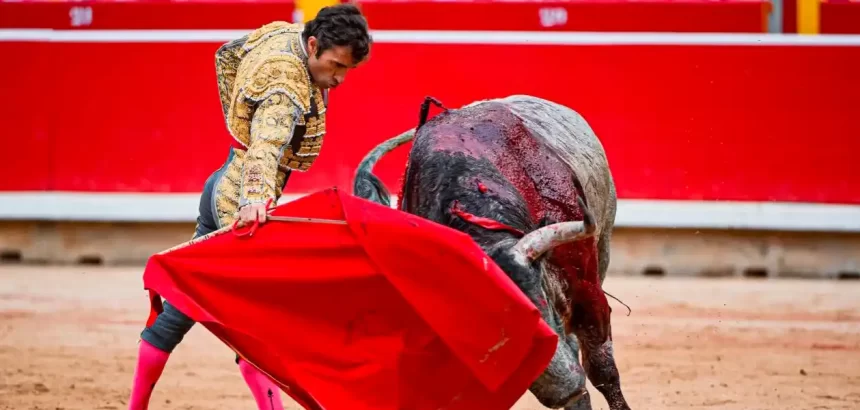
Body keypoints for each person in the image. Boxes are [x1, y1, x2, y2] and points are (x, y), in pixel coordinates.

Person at [127, 5, 372, 409]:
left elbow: (228, 54)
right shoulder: (285, 87)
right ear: (313, 45)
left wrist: (237, 121)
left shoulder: (285, 35)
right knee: (259, 326)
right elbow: (265, 146)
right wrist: (256, 199)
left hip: (222, 182)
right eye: (335, 65)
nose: (340, 78)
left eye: (347, 69)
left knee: (183, 305)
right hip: (239, 203)